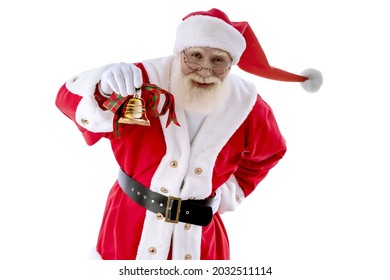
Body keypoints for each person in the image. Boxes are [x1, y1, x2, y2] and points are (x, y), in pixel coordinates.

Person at [55, 8, 322, 260]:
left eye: (218, 60)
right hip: (128, 224)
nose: (205, 69)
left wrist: (229, 191)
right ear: (180, 52)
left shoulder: (248, 104)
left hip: (201, 238)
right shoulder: (141, 78)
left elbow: (269, 152)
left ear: (231, 64)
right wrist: (102, 86)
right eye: (195, 56)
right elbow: (67, 100)